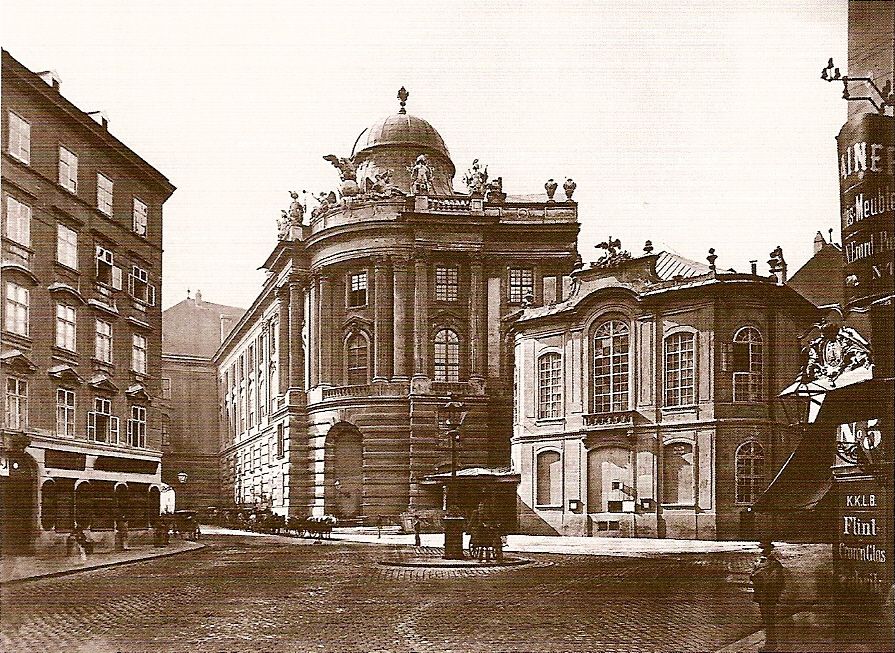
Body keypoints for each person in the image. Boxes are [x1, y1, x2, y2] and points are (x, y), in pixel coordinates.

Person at [750, 540, 786, 652]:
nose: (763, 551)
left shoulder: (774, 564)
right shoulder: (761, 562)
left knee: (769, 620)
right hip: (762, 595)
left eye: (765, 549)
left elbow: (777, 581)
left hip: (768, 596)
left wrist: (758, 576)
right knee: (766, 620)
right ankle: (770, 642)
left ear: (769, 550)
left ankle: (771, 644)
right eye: (762, 548)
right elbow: (752, 576)